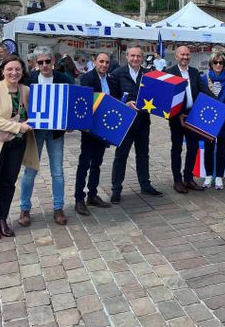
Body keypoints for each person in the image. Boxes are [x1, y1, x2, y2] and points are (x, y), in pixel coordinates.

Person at [19, 46, 71, 227]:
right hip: (36, 132)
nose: (44, 65)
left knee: (57, 171)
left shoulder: (64, 79)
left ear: (53, 61)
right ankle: (24, 208)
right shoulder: (29, 80)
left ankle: (58, 208)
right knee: (30, 171)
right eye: (40, 62)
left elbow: (71, 103)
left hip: (56, 132)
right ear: (35, 63)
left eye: (47, 61)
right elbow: (22, 105)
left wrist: (71, 122)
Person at [110, 43, 162, 203]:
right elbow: (111, 98)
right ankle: (116, 189)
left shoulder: (148, 75)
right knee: (121, 156)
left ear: (142, 58)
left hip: (142, 122)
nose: (135, 58)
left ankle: (145, 185)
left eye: (138, 56)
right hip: (125, 123)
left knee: (143, 155)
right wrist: (124, 103)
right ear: (127, 57)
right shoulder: (117, 74)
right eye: (132, 55)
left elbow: (156, 97)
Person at [0, 56, 38, 238]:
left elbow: (38, 112)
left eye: (18, 69)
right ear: (2, 70)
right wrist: (18, 126)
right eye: (10, 69)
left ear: (23, 72)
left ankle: (1, 219)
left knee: (8, 183)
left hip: (17, 144)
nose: (14, 73)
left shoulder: (26, 90)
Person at [74, 53, 116, 215]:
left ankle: (92, 194)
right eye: (101, 62)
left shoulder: (111, 79)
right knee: (84, 162)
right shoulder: (88, 78)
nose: (104, 64)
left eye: (106, 62)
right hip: (90, 128)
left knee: (97, 162)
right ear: (94, 62)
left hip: (104, 128)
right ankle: (79, 198)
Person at [167, 45, 213, 194]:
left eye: (187, 55)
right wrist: (178, 113)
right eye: (182, 55)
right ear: (176, 56)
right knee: (177, 148)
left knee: (193, 148)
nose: (185, 57)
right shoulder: (170, 73)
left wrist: (219, 104)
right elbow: (167, 100)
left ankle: (188, 178)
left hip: (193, 115)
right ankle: (177, 180)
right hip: (176, 117)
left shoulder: (194, 72)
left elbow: (204, 90)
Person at [202, 52, 225, 190]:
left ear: (224, 64)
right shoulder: (204, 78)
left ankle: (220, 177)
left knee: (222, 148)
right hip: (209, 117)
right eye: (215, 62)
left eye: (221, 62)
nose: (218, 65)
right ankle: (209, 175)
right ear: (211, 64)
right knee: (208, 147)